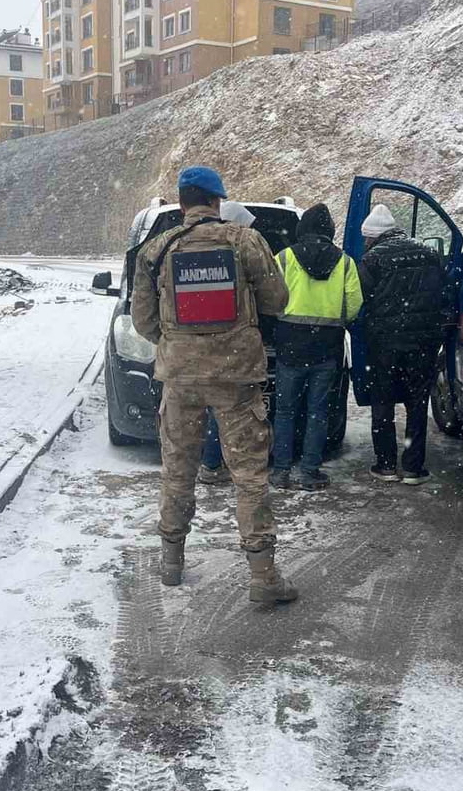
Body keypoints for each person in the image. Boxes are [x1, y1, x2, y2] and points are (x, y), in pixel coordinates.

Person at [131, 167, 295, 604]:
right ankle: (263, 576)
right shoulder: (245, 241)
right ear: (217, 201)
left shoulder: (157, 249)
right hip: (236, 376)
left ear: (183, 202)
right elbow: (277, 301)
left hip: (180, 378)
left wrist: (179, 344)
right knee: (249, 476)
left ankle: (171, 562)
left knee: (178, 471)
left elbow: (143, 320)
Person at [358, 203, 453, 484]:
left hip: (384, 343)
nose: (364, 243)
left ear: (374, 236)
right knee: (417, 401)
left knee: (383, 401)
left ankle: (386, 465)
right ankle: (413, 467)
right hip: (422, 342)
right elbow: (445, 294)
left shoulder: (372, 259)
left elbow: (360, 299)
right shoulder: (429, 253)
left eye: (366, 238)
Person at [271, 203, 363, 491]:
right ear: (330, 231)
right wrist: (334, 318)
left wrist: (282, 318)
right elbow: (354, 304)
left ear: (302, 229)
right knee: (317, 411)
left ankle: (281, 471)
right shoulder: (345, 263)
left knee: (285, 411)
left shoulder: (284, 257)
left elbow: (270, 296)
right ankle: (310, 471)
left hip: (290, 346)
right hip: (327, 347)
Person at [198, 201, 258, 487]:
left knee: (217, 408)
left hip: (206, 347)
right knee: (230, 409)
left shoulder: (199, 253)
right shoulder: (237, 256)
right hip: (231, 346)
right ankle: (218, 464)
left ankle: (212, 463)